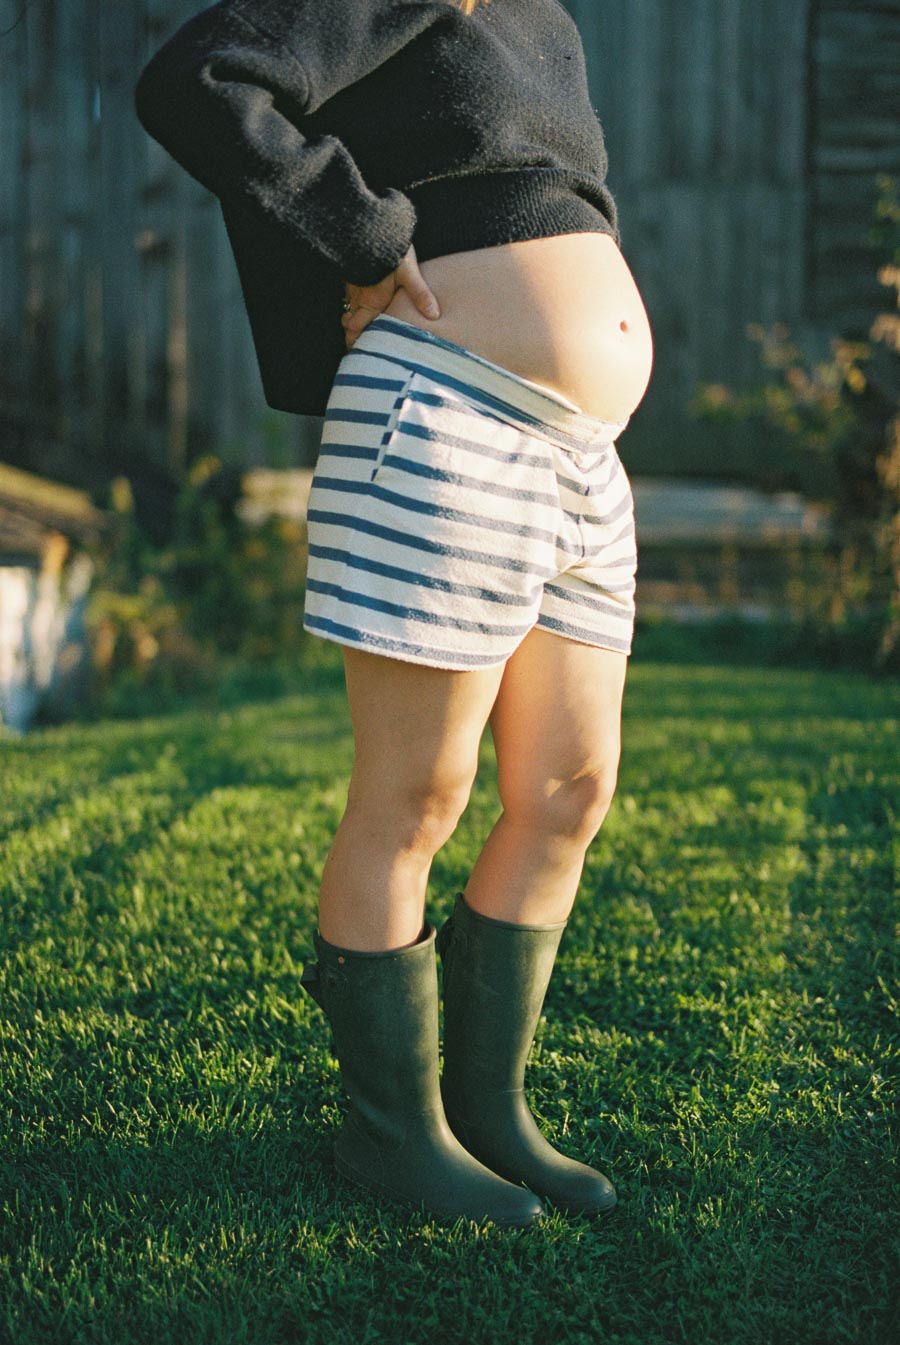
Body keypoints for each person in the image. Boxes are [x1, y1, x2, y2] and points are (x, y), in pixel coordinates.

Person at [135, 0, 654, 1229]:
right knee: (417, 795)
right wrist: (361, 238)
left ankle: (489, 1116)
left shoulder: (548, 22)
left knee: (570, 791)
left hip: (583, 450)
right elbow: (199, 82)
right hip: (447, 408)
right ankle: (391, 1135)